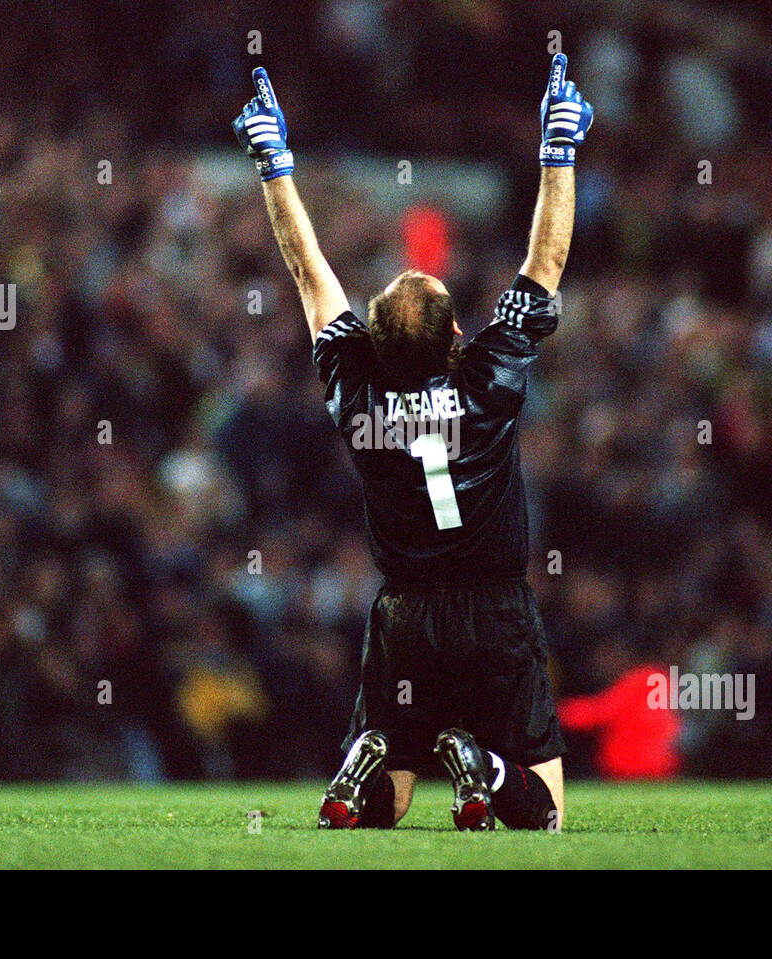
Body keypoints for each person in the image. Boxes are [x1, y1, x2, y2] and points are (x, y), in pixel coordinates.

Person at [232, 53, 592, 830]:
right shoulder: (490, 381)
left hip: (403, 619)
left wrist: (274, 165)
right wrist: (557, 149)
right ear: (458, 335)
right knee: (546, 810)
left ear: (374, 342)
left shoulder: (354, 396)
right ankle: (485, 764)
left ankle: (365, 763)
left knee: (387, 807)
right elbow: (547, 261)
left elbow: (307, 273)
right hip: (494, 610)